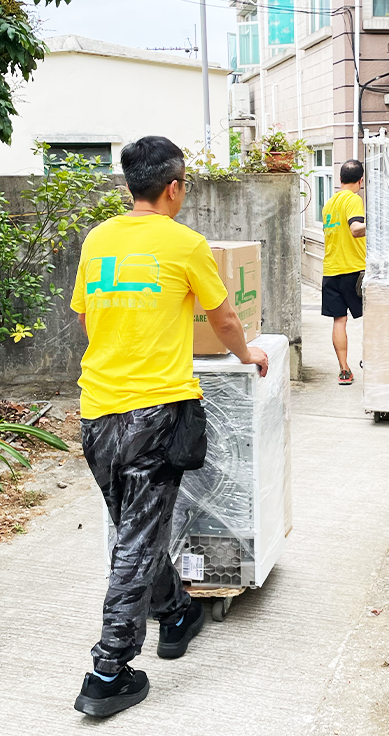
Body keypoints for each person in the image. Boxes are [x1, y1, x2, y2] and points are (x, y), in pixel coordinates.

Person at [68, 136, 269, 718]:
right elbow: (223, 317)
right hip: (155, 413)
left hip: (96, 410)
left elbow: (86, 317)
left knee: (137, 528)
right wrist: (248, 354)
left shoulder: (98, 239)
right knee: (136, 539)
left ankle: (177, 613)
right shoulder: (185, 244)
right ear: (175, 187)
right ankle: (108, 671)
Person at [320, 159, 369, 384]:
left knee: (339, 320)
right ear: (361, 180)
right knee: (371, 317)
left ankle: (344, 370)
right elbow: (355, 229)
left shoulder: (329, 204)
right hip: (353, 270)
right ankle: (374, 361)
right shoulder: (354, 199)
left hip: (331, 270)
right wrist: (377, 224)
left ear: (340, 179)